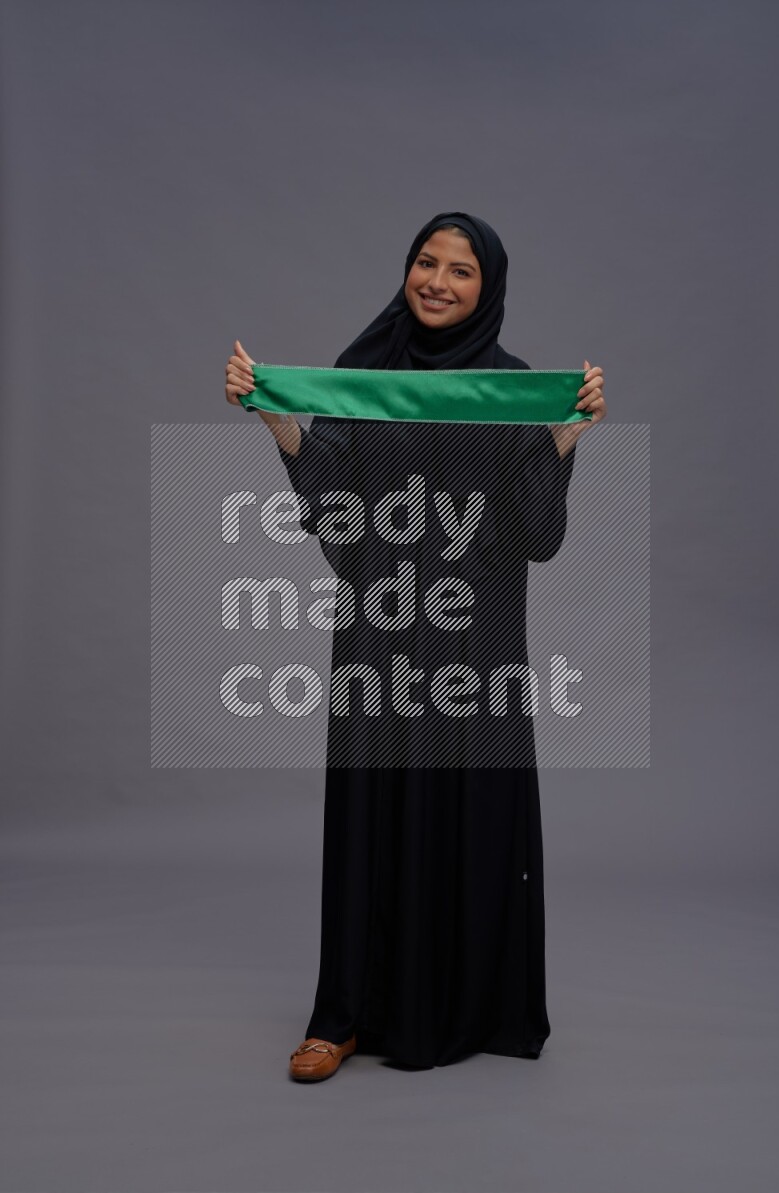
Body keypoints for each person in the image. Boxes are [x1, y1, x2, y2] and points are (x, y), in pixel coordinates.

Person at [225, 211, 606, 1081]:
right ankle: (343, 1016)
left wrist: (561, 438)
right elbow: (336, 514)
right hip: (380, 634)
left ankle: (468, 1008)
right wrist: (279, 421)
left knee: (471, 818)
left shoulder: (515, 387)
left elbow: (535, 536)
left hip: (481, 646)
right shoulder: (364, 377)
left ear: (489, 287)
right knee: (370, 818)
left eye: (460, 270)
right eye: (424, 262)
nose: (437, 281)